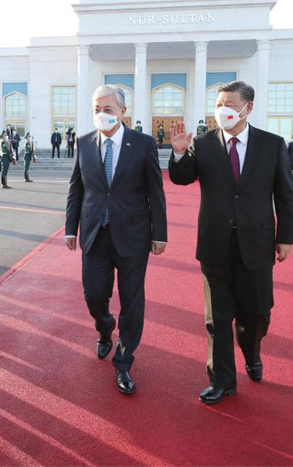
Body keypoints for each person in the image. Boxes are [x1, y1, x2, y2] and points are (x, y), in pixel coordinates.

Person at [168, 80, 293, 405]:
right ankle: (222, 379)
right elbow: (183, 178)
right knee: (217, 319)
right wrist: (180, 153)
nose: (222, 110)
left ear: (247, 108)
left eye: (229, 104)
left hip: (257, 243)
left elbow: (284, 194)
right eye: (218, 104)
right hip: (215, 244)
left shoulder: (271, 144)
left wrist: (286, 237)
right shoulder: (203, 143)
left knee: (257, 315)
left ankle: (252, 353)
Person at [65, 84, 167, 395]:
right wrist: (71, 228)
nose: (101, 115)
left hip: (133, 235)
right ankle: (104, 325)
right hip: (95, 233)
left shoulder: (143, 143)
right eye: (97, 109)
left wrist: (159, 233)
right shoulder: (83, 144)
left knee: (132, 301)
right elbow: (76, 189)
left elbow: (155, 192)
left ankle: (123, 362)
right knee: (94, 295)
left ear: (123, 112)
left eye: (108, 109)